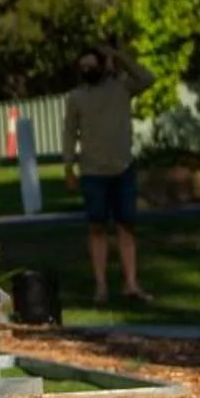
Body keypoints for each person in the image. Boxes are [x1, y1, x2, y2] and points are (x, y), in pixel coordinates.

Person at [62, 43, 154, 306]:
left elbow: (147, 78)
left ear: (102, 65)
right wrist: (68, 167)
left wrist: (120, 57)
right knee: (97, 228)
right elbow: (69, 133)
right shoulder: (76, 98)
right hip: (92, 172)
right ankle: (101, 287)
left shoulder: (122, 88)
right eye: (84, 66)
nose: (88, 69)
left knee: (126, 227)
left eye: (92, 64)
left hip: (123, 167)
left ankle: (131, 284)